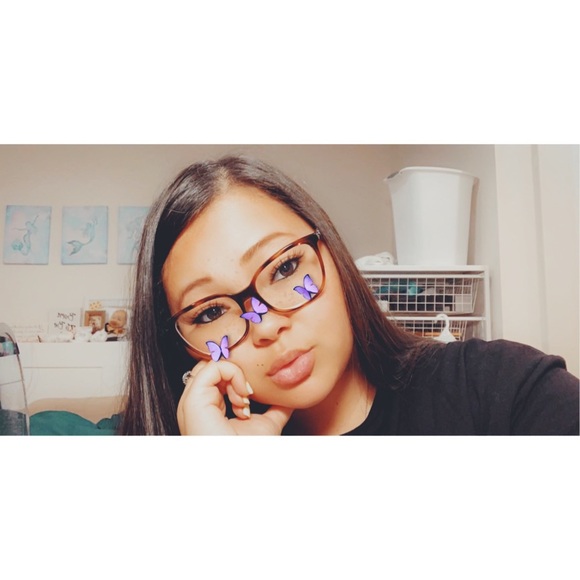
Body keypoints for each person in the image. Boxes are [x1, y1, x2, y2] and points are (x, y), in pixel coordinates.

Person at [119, 156, 579, 436]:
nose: (267, 325)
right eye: (211, 312)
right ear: (181, 349)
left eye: (284, 267)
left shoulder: (500, 387)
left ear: (333, 255)